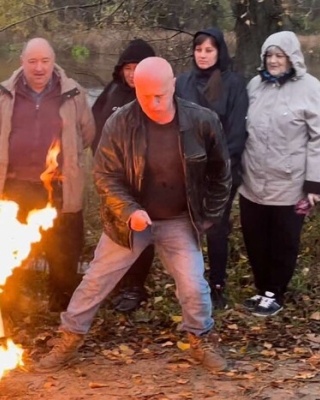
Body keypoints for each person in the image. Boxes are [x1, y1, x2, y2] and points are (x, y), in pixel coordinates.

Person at [34, 57, 231, 373]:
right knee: (96, 280)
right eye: (145, 94)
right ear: (135, 88)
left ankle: (201, 339)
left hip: (179, 218)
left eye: (160, 95)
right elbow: (105, 176)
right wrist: (129, 211)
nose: (154, 102)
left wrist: (208, 215)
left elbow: (221, 172)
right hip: (130, 221)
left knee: (194, 285)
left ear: (173, 86)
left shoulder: (201, 121)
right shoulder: (120, 122)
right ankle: (68, 338)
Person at [0, 37, 95, 313]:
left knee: (63, 254)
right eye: (32, 61)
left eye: (45, 61)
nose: (39, 68)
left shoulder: (74, 94)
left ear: (53, 62)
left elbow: (87, 134)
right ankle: (9, 309)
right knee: (8, 251)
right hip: (15, 187)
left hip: (59, 188)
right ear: (22, 62)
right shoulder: (2, 95)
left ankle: (62, 313)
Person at [239, 31, 320, 317]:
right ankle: (261, 289)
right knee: (255, 239)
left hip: (290, 186)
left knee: (283, 241)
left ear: (292, 58)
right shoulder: (255, 85)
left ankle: (274, 292)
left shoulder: (310, 88)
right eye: (270, 55)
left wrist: (315, 184)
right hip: (252, 181)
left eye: (280, 56)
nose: (274, 61)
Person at [174, 27, 248, 309]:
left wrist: (218, 166)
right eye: (198, 50)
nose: (203, 55)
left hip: (221, 171)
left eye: (209, 50)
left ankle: (217, 285)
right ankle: (190, 283)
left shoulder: (233, 84)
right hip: (184, 169)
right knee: (186, 228)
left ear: (219, 52)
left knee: (216, 229)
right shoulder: (183, 82)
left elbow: (237, 131)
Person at [90, 38, 157, 313]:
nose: (132, 73)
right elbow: (94, 124)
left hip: (145, 181)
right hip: (113, 179)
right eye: (128, 68)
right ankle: (116, 282)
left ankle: (135, 287)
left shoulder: (155, 95)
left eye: (138, 67)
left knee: (141, 232)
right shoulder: (113, 91)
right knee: (114, 231)